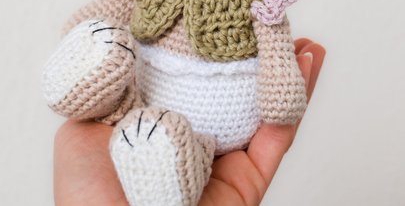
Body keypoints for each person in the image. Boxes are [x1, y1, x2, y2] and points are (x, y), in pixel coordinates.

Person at [54, 39, 325, 206]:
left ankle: (166, 167)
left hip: (206, 131)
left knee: (192, 150)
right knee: (119, 80)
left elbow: (273, 39)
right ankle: (96, 59)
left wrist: (281, 89)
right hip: (142, 101)